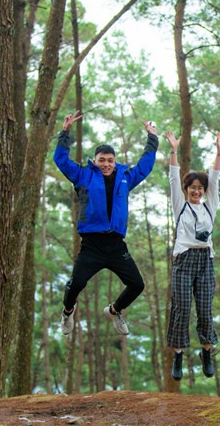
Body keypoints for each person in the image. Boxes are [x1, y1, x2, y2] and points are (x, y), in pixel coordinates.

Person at [53, 110, 159, 337]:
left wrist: (152, 138)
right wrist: (65, 132)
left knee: (137, 285)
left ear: (115, 162)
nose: (106, 164)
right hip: (92, 245)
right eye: (102, 160)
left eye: (110, 160)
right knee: (75, 285)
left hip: (116, 245)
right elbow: (60, 160)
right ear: (95, 161)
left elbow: (144, 167)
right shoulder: (84, 176)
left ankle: (114, 311)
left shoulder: (125, 177)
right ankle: (67, 311)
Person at [164, 130, 220, 381]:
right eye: (192, 187)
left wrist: (219, 153)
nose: (197, 191)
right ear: (186, 189)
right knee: (181, 308)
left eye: (200, 188)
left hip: (205, 261)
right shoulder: (180, 205)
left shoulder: (210, 205)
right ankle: (178, 354)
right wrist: (174, 151)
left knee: (205, 308)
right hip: (184, 259)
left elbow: (216, 177)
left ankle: (207, 351)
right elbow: (172, 179)